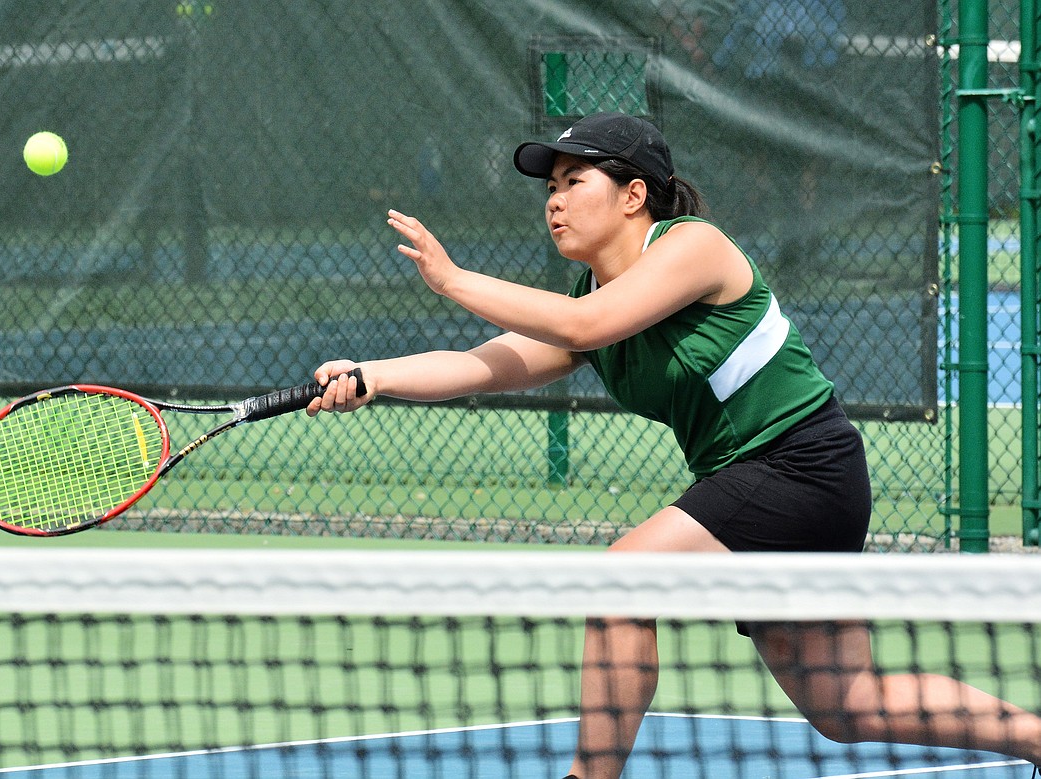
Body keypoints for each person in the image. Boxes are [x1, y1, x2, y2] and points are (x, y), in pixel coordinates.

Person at [306, 112, 1041, 778]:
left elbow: (584, 329)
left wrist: (453, 278)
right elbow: (484, 363)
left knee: (624, 578)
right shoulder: (586, 307)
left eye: (573, 181)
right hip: (776, 478)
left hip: (797, 463)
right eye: (549, 187)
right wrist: (373, 375)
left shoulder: (694, 247)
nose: (554, 200)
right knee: (848, 704)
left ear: (633, 195)